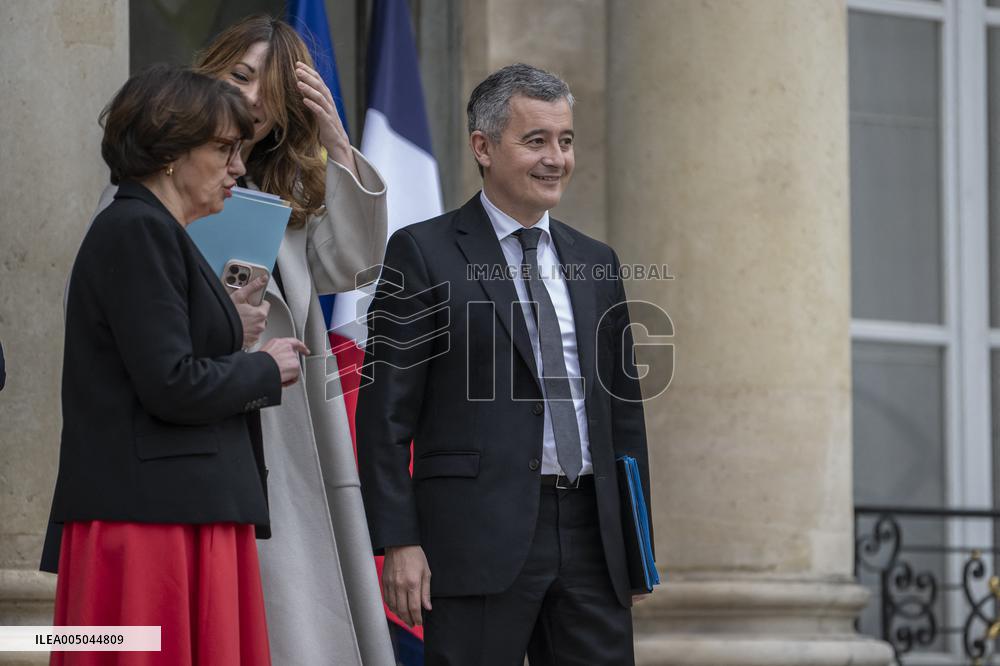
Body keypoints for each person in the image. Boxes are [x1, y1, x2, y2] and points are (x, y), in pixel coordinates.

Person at [75, 15, 394, 665]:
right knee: (174, 629)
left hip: (275, 437)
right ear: (209, 67)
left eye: (270, 99)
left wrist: (336, 140)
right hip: (182, 443)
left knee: (270, 624)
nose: (250, 100)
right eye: (241, 76)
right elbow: (148, 347)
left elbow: (355, 263)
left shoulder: (277, 195)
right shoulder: (145, 199)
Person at [356, 63, 654, 665]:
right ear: (483, 147)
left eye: (565, 141)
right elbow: (385, 414)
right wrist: (399, 542)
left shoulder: (597, 261)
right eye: (536, 140)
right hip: (472, 539)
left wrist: (635, 545)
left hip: (593, 541)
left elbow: (624, 417)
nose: (556, 158)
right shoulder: (422, 252)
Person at [44, 64, 308, 666]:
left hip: (171, 511)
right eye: (223, 148)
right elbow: (170, 384)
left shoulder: (153, 230)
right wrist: (264, 369)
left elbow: (157, 359)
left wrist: (226, 329)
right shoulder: (137, 229)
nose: (238, 167)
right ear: (168, 152)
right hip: (153, 526)